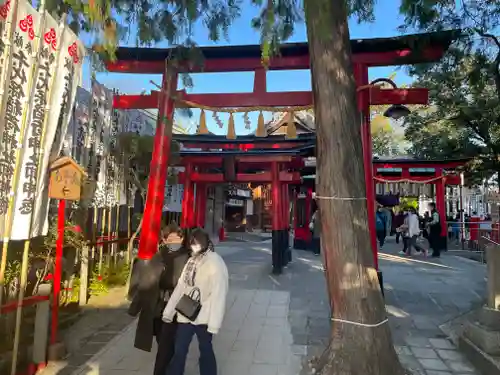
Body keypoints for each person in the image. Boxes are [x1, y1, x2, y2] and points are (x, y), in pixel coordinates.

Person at [163, 228, 229, 375]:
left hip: (204, 315)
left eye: (197, 244)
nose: (194, 247)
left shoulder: (215, 262)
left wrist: (214, 324)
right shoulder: (191, 260)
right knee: (179, 349)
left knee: (205, 350)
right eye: (192, 244)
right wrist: (169, 311)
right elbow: (181, 286)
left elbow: (219, 293)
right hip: (186, 311)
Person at [127, 226, 191, 375]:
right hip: (159, 308)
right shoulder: (157, 257)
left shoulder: (189, 259)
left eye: (177, 239)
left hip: (179, 308)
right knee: (164, 345)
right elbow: (146, 283)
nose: (174, 242)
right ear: (164, 240)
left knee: (170, 347)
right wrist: (135, 306)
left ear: (182, 239)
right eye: (170, 239)